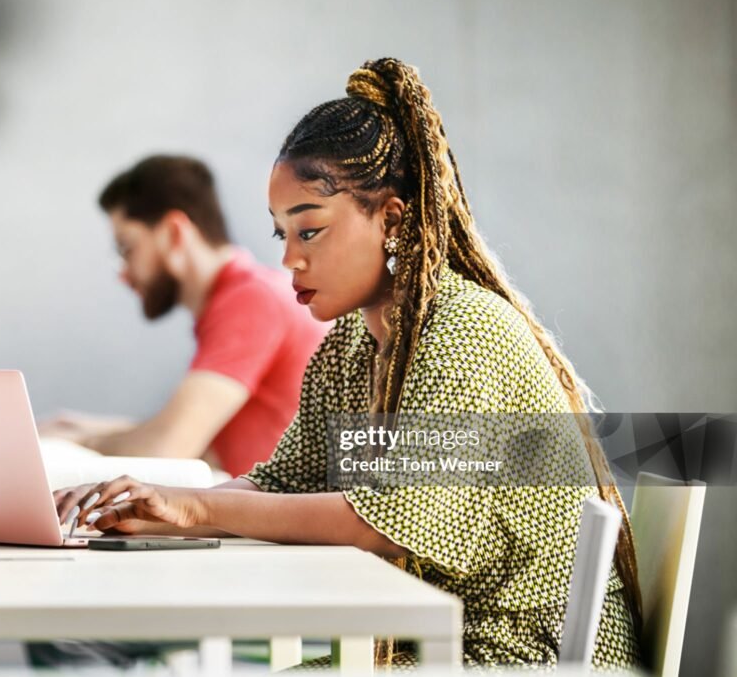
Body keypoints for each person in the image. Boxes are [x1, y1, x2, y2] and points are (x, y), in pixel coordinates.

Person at [53, 59, 643, 669]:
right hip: (438, 647)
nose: (288, 260)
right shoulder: (347, 347)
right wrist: (146, 507)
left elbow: (386, 522)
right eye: (280, 233)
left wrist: (195, 507)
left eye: (309, 232)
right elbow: (282, 483)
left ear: (390, 219)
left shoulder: (465, 330)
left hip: (522, 657)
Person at [42, 155, 328, 477]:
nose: (123, 274)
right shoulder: (250, 295)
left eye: (126, 249)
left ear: (174, 232)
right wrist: (83, 429)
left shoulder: (251, 300)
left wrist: (76, 441)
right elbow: (201, 443)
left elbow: (167, 448)